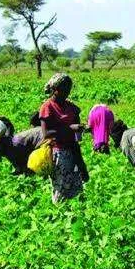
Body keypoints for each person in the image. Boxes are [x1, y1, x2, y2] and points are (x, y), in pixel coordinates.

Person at [39, 73, 89, 203]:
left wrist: (81, 164)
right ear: (55, 89)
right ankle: (59, 212)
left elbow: (76, 138)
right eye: (64, 89)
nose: (67, 92)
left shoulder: (71, 107)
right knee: (61, 188)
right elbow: (46, 133)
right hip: (58, 152)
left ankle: (75, 212)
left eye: (68, 89)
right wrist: (70, 128)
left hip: (73, 150)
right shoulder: (47, 107)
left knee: (77, 187)